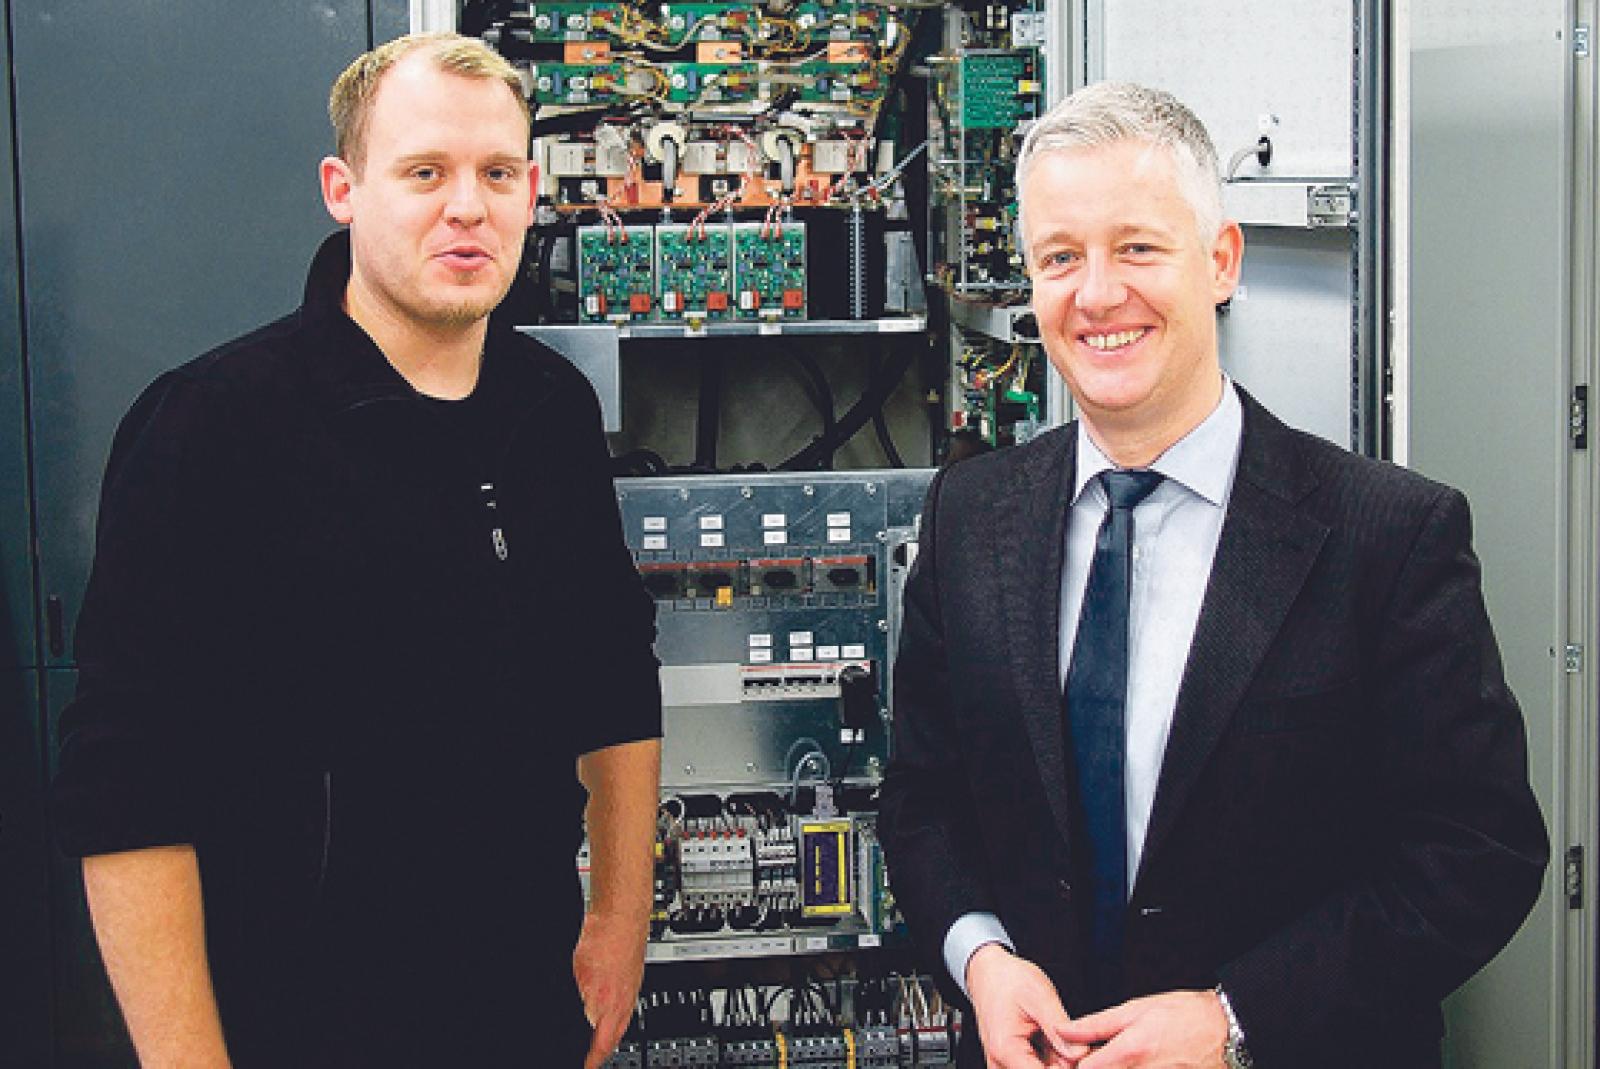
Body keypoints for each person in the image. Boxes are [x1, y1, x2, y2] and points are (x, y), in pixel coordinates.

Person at [877, 82, 1548, 1069]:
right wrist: (981, 959)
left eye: (1137, 248)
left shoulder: (1387, 535)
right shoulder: (970, 517)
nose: (1096, 294)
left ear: (1221, 261)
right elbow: (923, 800)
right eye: (1060, 257)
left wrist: (1234, 1019)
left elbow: (1476, 853)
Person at [51, 32, 661, 1068]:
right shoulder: (212, 426)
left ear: (530, 195)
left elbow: (612, 669)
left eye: (497, 174)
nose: (466, 206)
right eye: (424, 172)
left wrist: (619, 917)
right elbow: (126, 783)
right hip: (297, 1023)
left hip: (521, 1007)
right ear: (344, 189)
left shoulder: (550, 410)